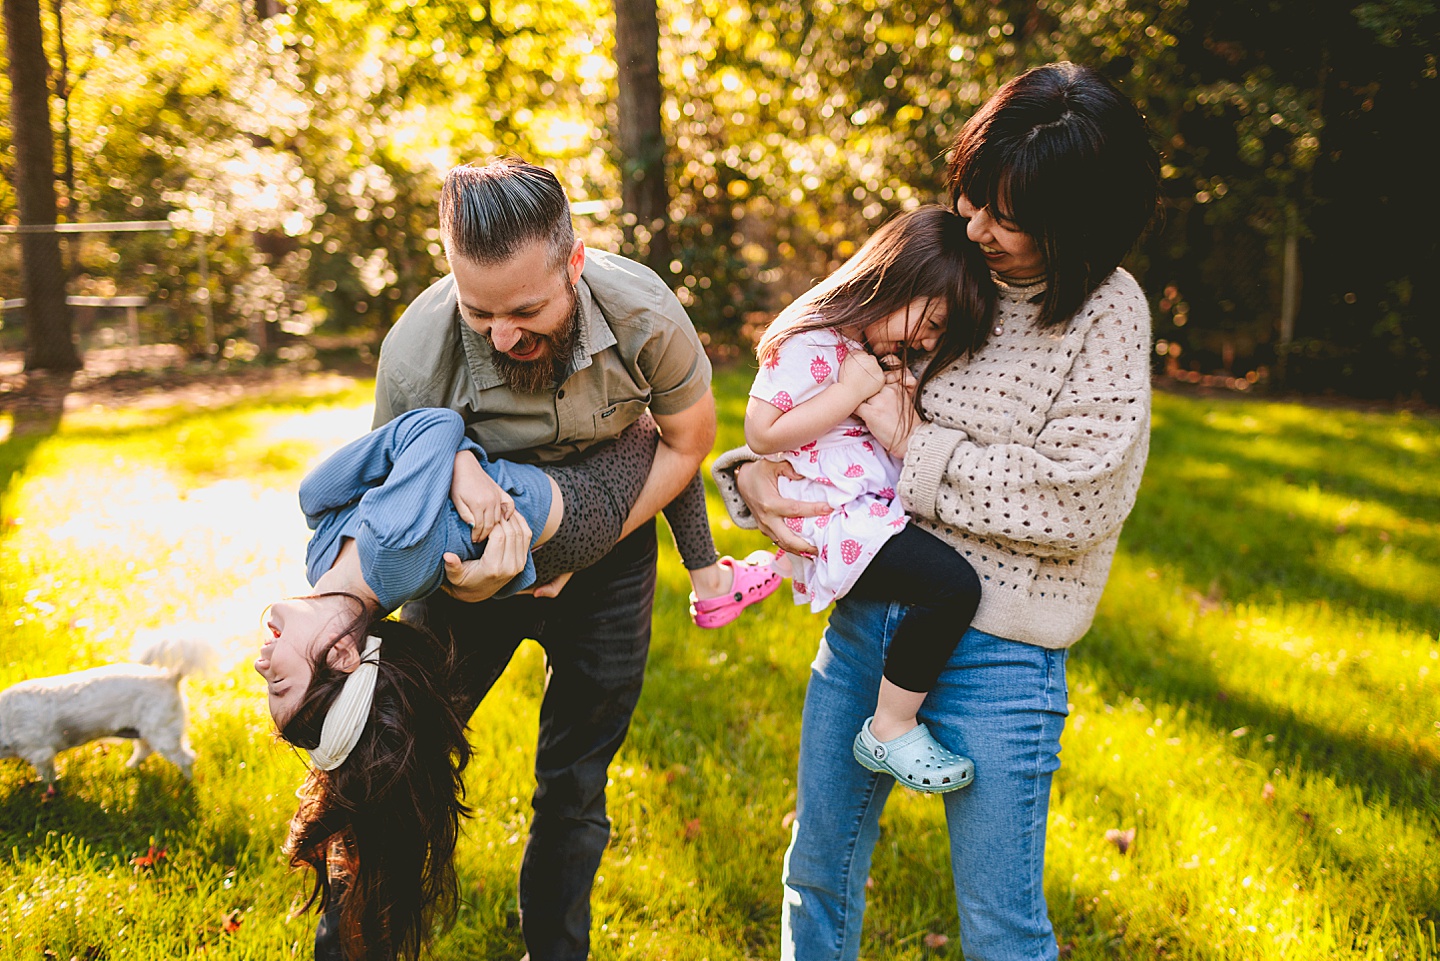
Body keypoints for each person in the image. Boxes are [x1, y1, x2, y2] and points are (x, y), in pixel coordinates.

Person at [712, 62, 1159, 960]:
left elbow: (1073, 495)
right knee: (816, 873)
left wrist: (915, 448)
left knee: (999, 926)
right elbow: (821, 372)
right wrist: (750, 477)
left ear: (1078, 224)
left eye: (1008, 216)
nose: (976, 223)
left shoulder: (1107, 314)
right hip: (868, 620)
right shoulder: (952, 264)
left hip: (1001, 650)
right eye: (972, 194)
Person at [279, 157, 729, 961]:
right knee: (390, 761)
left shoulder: (645, 314)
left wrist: (569, 554)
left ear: (575, 263)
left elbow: (689, 443)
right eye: (479, 312)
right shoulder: (417, 351)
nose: (505, 335)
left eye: (528, 309)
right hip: (463, 567)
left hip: (612, 544)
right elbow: (391, 497)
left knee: (575, 787)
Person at [257, 406, 778, 961]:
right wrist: (458, 463)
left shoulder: (635, 332)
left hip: (607, 556)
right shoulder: (378, 565)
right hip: (462, 562)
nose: (263, 664)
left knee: (574, 787)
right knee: (380, 767)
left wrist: (583, 542)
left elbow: (667, 434)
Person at [744, 205, 992, 792]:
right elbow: (761, 432)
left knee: (943, 585)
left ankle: (892, 721)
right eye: (930, 323)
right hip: (836, 518)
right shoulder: (812, 343)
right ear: (896, 279)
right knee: (953, 588)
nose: (927, 342)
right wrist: (852, 391)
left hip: (863, 509)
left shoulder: (872, 353)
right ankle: (891, 726)